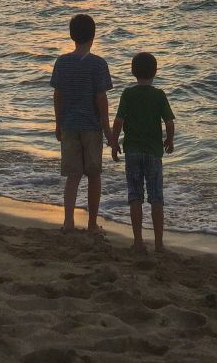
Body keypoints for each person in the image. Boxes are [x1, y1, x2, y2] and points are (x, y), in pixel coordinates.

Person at [50, 13, 113, 233]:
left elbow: (57, 96)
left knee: (73, 176)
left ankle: (68, 221)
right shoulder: (98, 64)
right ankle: (92, 224)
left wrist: (58, 124)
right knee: (94, 175)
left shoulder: (62, 62)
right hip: (91, 127)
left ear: (71, 36)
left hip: (69, 125)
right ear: (94, 36)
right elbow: (101, 100)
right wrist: (108, 130)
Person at [110, 51, 175, 253]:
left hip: (132, 152)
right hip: (154, 153)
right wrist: (169, 140)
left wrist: (114, 143)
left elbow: (118, 122)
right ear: (155, 72)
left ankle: (138, 241)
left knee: (135, 196)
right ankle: (158, 244)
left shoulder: (128, 94)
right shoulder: (159, 95)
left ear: (133, 72)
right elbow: (169, 122)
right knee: (156, 197)